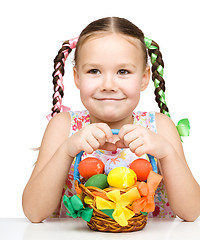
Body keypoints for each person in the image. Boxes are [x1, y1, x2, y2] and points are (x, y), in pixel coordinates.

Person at [22, 17, 200, 223]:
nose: (108, 84)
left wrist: (167, 153)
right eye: (94, 71)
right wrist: (66, 150)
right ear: (77, 77)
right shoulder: (63, 126)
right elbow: (34, 213)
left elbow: (192, 211)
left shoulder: (159, 126)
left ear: (144, 78)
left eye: (123, 71)